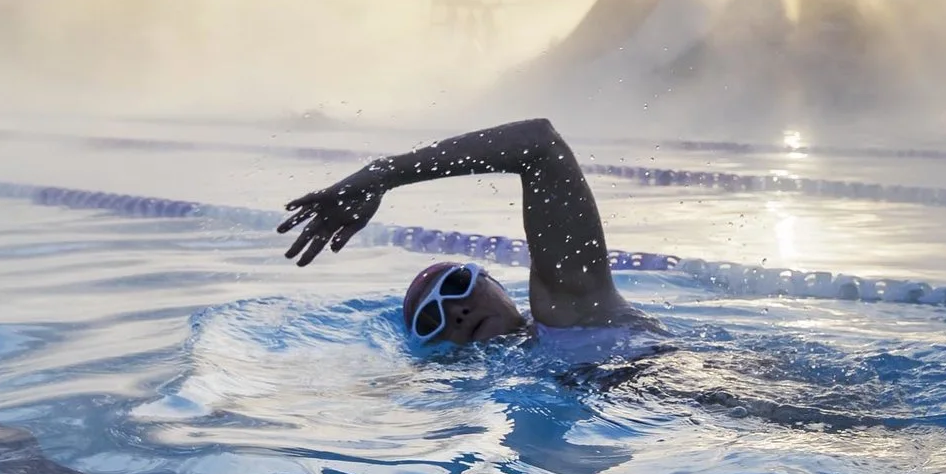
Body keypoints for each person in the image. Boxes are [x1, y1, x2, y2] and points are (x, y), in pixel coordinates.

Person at [279, 118, 663, 353]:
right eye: (430, 321)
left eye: (457, 284)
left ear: (494, 282)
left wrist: (382, 174)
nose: (456, 312)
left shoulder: (574, 306)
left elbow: (540, 144)